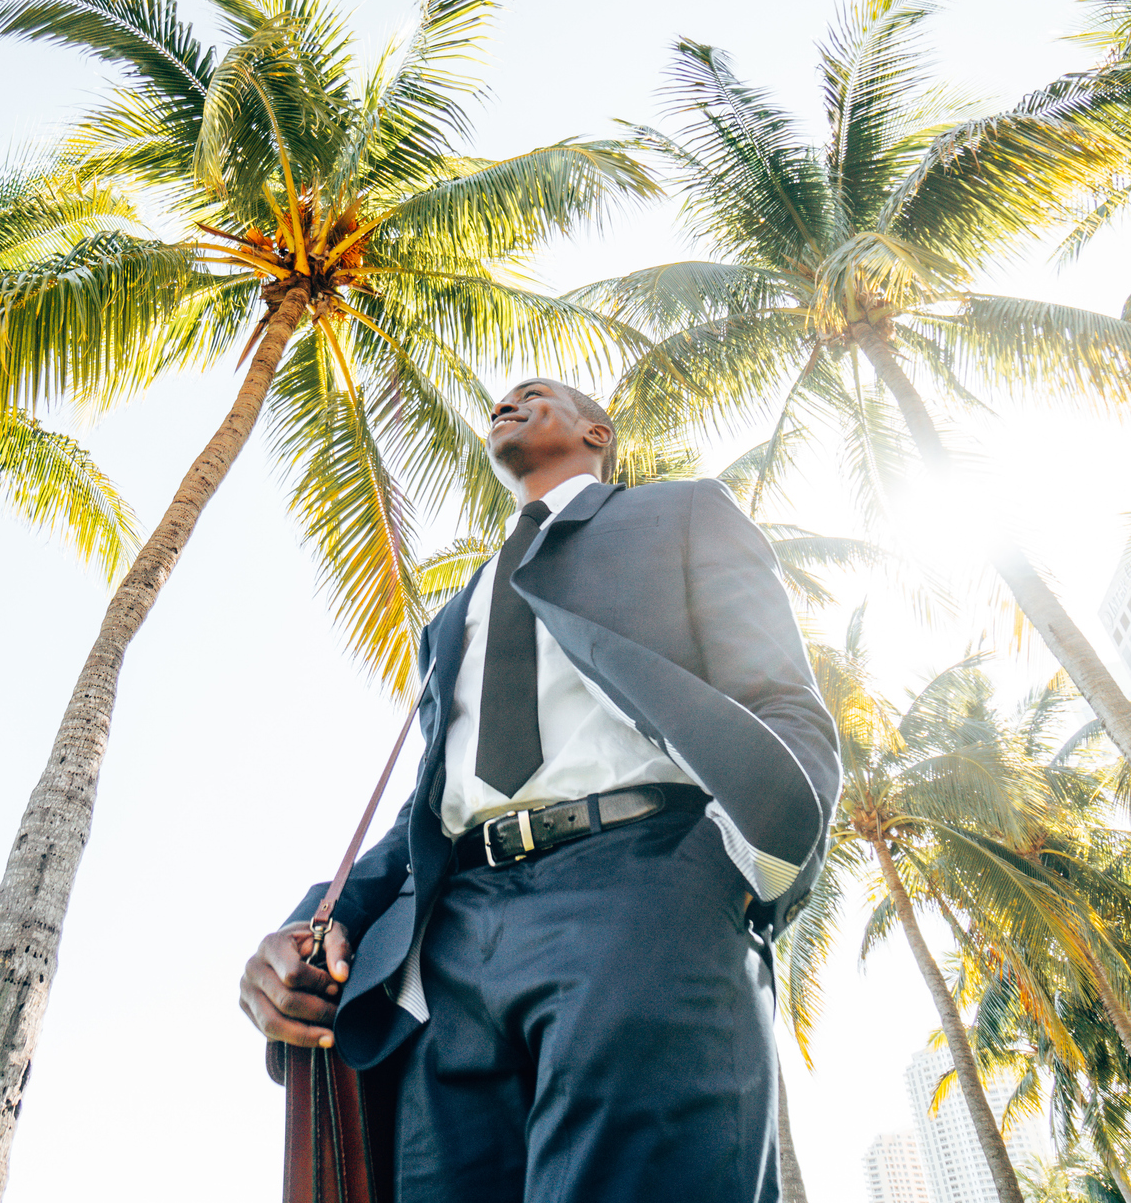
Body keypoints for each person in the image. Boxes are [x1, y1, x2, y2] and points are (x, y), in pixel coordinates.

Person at [239, 377, 839, 1203]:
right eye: (499, 400)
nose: (504, 403)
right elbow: (432, 802)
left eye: (535, 394)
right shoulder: (452, 615)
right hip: (448, 953)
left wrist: (738, 879)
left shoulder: (682, 512)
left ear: (598, 431)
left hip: (643, 892)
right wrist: (321, 918)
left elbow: (780, 703)